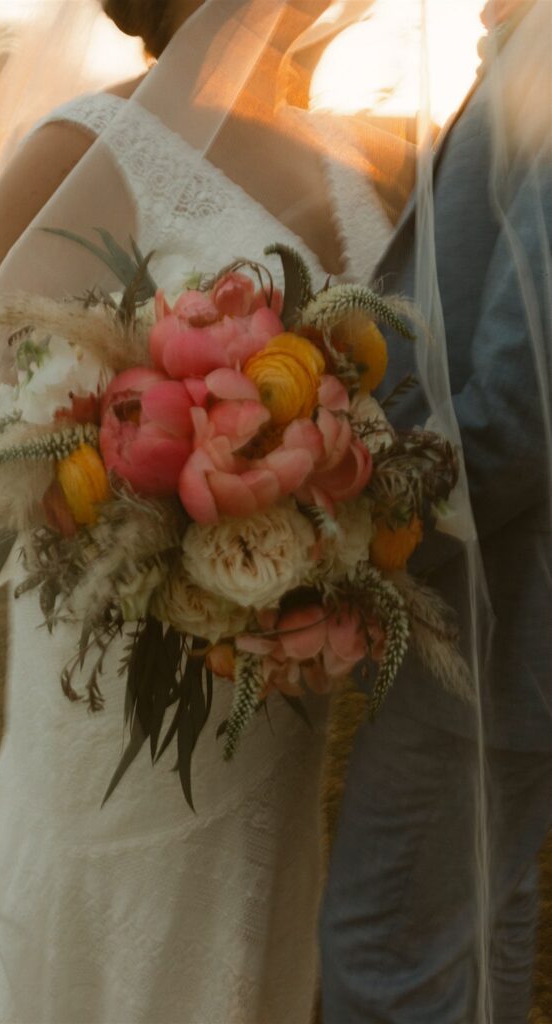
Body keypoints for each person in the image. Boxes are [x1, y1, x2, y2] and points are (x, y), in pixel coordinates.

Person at [0, 3, 403, 1021]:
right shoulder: (78, 149)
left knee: (242, 924)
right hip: (117, 656)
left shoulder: (364, 166)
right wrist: (163, 477)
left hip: (281, 653)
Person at [319, 2, 552, 1021]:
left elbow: (518, 406)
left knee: (383, 945)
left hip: (494, 622)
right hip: (512, 629)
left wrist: (354, 532)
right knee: (481, 907)